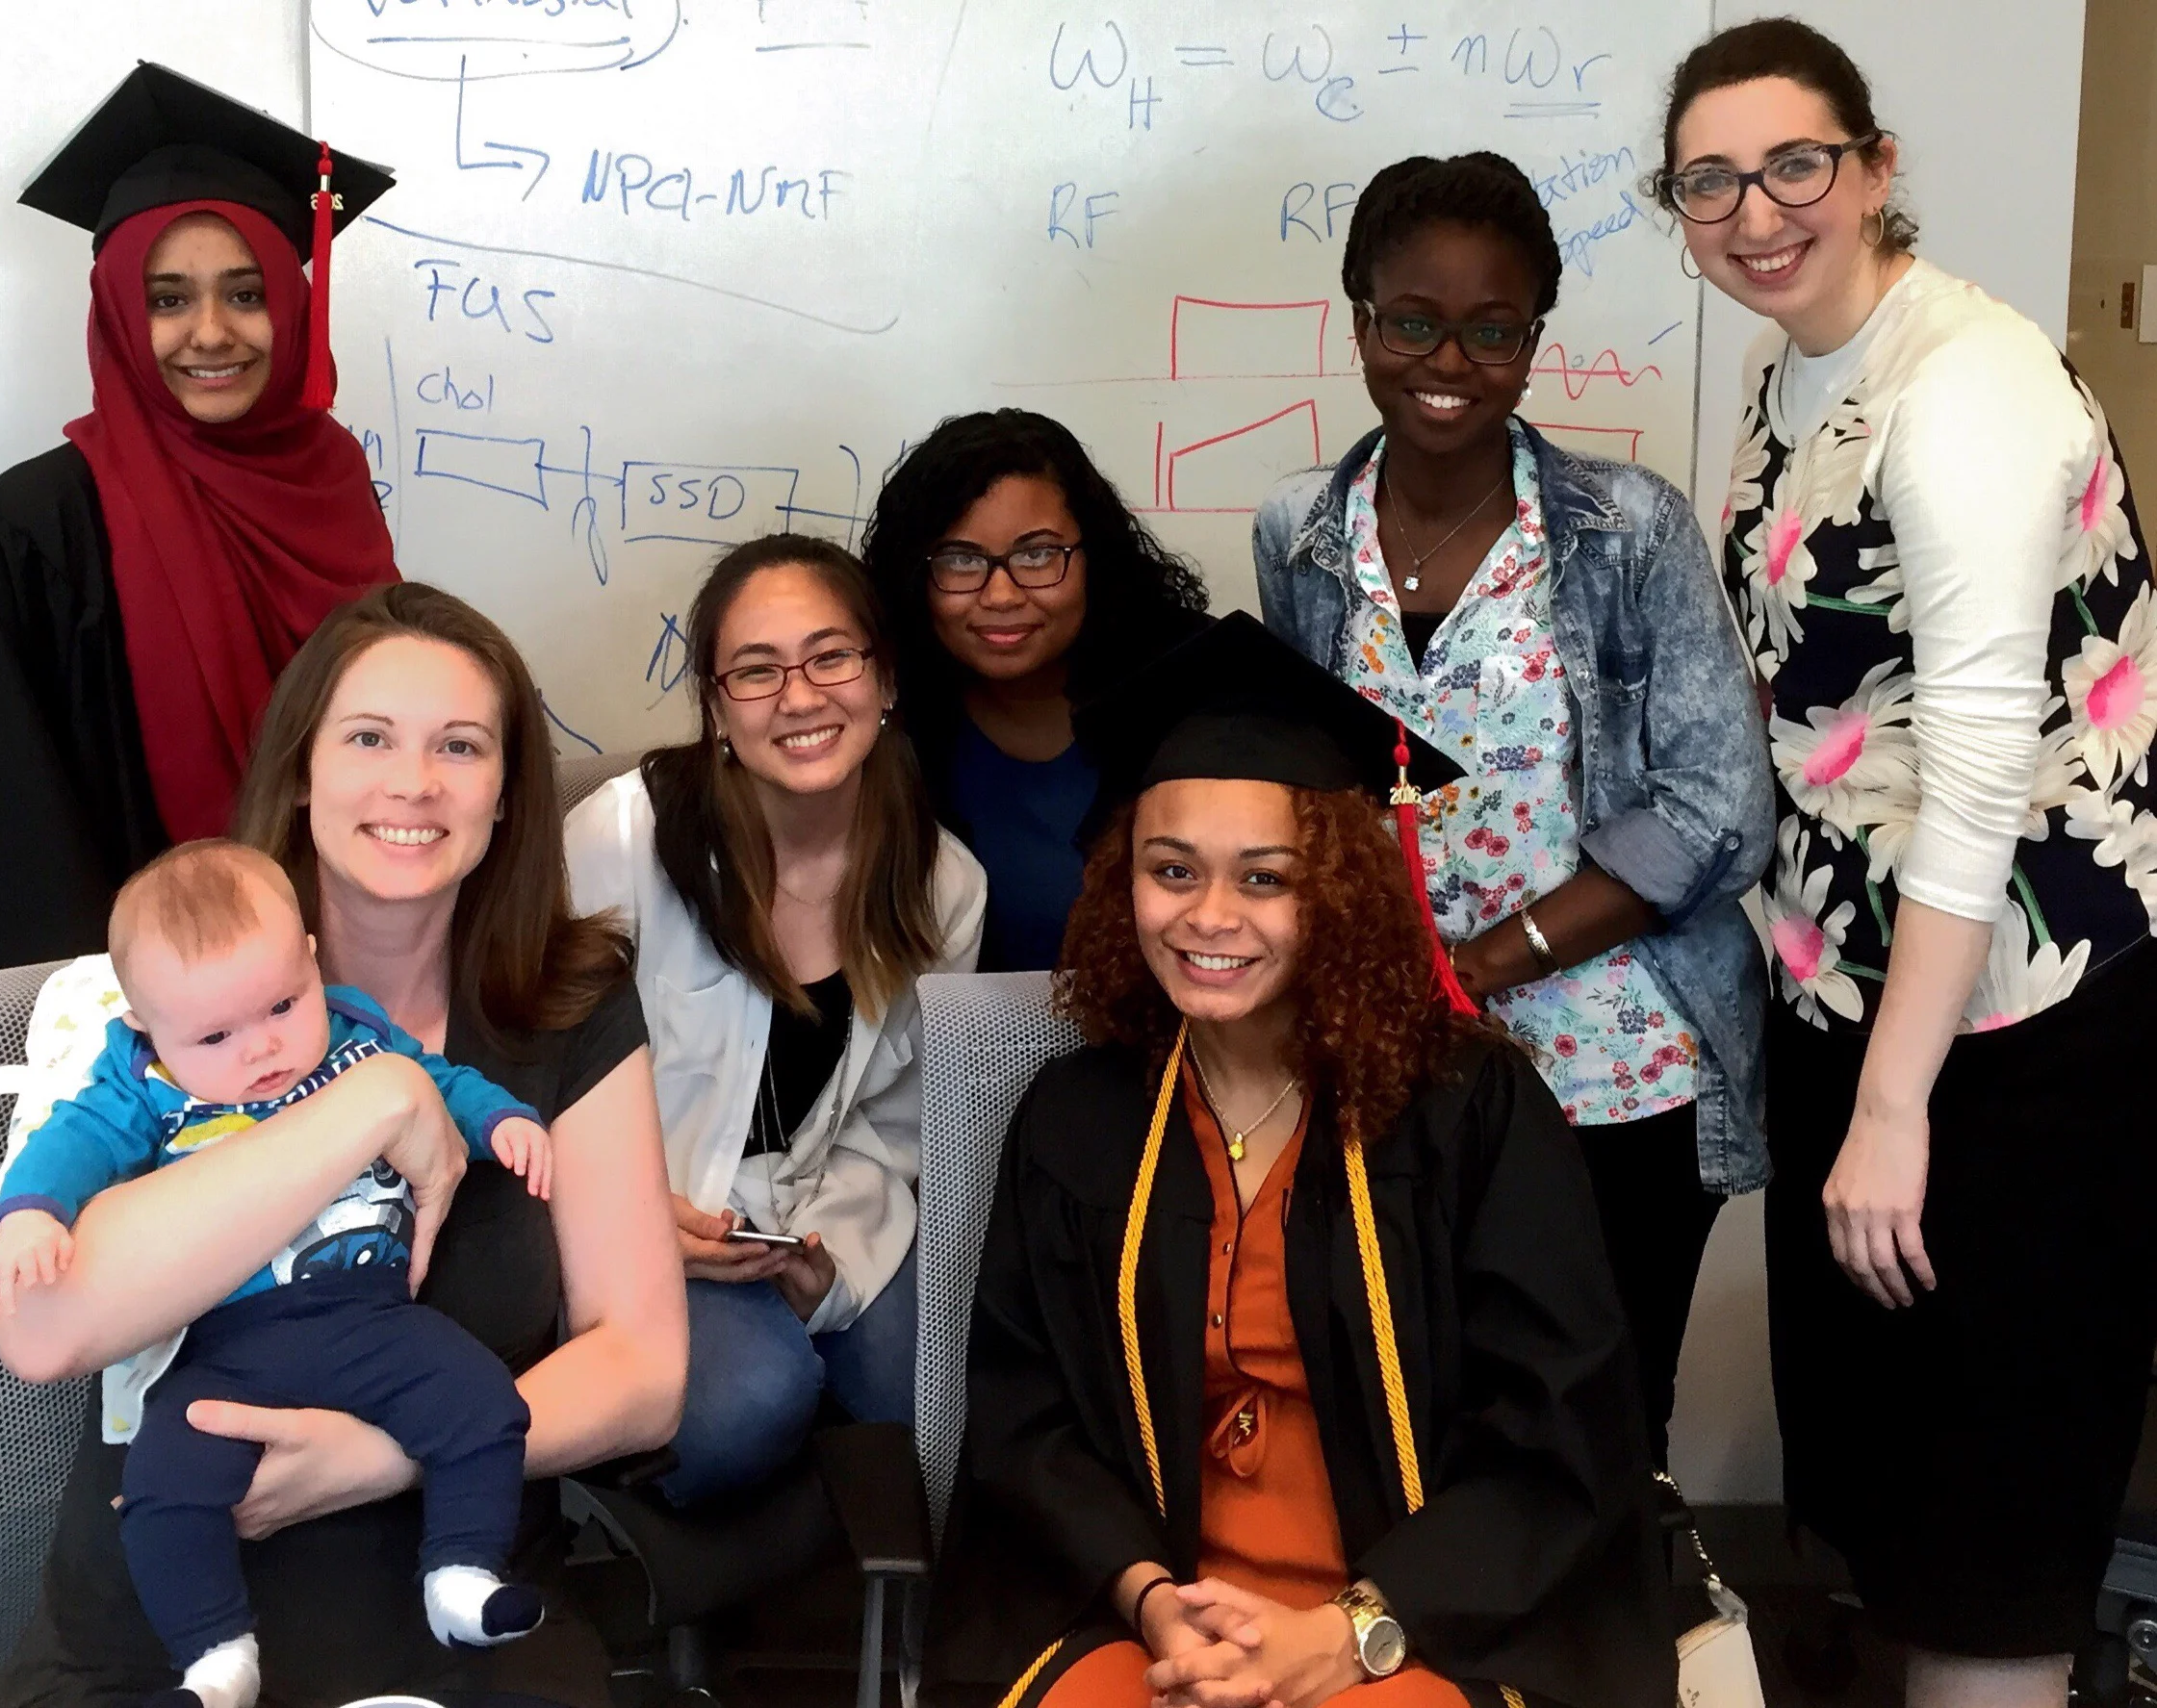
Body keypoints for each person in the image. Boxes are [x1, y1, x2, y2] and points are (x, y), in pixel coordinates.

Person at [1657, 20, 2157, 1704]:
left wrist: (1893, 1108)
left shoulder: (1966, 386)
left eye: (1794, 164)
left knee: (1986, 1530)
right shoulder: (1795, 364)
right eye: (1709, 180)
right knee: (1883, 1492)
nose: (1754, 212)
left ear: (1874, 168)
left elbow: (1977, 770)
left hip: (2011, 1033)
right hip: (1853, 999)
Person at [924, 613, 1675, 1708]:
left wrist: (1349, 1632)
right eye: (1170, 870)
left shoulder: (1466, 1110)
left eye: (1263, 879)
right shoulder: (1079, 1118)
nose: (1208, 917)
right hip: (1150, 1616)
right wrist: (1151, 1601)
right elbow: (1024, 1418)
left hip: (1411, 1627)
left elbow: (1556, 1434)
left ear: (1337, 889)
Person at [0, 583, 685, 1708]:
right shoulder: (150, 995)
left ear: (507, 792)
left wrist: (380, 1454)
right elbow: (43, 1327)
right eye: (369, 737)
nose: (414, 781)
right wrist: (375, 1101)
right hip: (161, 1634)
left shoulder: (570, 1002)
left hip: (458, 1610)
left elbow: (644, 1372)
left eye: (460, 745)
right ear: (302, 766)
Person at [1253, 152, 1774, 1467]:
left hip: (1615, 1064)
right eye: (1412, 321)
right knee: (1413, 1413)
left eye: (1492, 330)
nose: (1449, 361)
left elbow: (1719, 807)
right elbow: (1307, 791)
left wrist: (1480, 966)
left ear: (1532, 341)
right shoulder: (1299, 531)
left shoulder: (1627, 529)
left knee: (1599, 1431)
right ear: (1360, 323)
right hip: (1392, 1055)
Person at [0, 840, 555, 1708]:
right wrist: (30, 1212)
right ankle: (216, 1659)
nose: (263, 1048)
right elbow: (73, 1142)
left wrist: (499, 1120)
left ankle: (462, 1575)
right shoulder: (145, 1084)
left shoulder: (359, 1037)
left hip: (368, 1316)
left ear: (312, 962)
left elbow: (442, 1081)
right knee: (160, 1487)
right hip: (225, 1345)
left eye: (284, 1005)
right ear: (146, 1027)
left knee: (484, 1403)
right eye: (216, 1036)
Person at [0, 63, 398, 984]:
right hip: (136, 1024)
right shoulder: (23, 535)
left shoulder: (335, 484)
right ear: (118, 313)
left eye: (246, 293)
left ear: (291, 302)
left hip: (361, 977)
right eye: (168, 298)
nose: (211, 332)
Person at [566, 533, 986, 1505]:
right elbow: (536, 1074)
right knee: (747, 1403)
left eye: (830, 656)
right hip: (637, 1217)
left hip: (806, 1211)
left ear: (884, 680)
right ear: (716, 707)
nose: (799, 697)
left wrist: (828, 1267)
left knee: (940, 1397)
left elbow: (891, 1128)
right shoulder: (620, 837)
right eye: (756, 671)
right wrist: (635, 1220)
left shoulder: (944, 883)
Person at [861, 409, 1209, 971]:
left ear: (1095, 557)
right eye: (960, 560)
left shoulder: (1201, 693)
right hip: (955, 1029)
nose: (1001, 595)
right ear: (916, 576)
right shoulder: (883, 713)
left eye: (1038, 554)